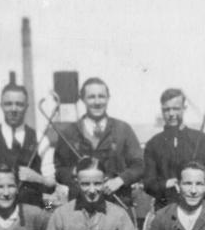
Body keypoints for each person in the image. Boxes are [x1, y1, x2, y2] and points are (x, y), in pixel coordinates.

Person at [52, 77, 144, 208]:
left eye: (101, 96)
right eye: (91, 97)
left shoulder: (123, 129)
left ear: (108, 98)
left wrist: (120, 180)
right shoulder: (69, 132)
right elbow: (59, 170)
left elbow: (139, 165)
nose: (97, 102)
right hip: (80, 206)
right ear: (82, 99)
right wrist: (75, 171)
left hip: (117, 203)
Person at [0, 82, 56, 208]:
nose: (13, 109)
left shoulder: (41, 138)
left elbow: (52, 185)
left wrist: (38, 178)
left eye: (19, 104)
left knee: (50, 212)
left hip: (31, 213)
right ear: (1, 106)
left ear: (26, 106)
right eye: (8, 104)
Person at [144, 88, 205, 210]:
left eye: (176, 109)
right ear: (162, 111)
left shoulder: (202, 140)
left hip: (198, 207)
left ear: (184, 108)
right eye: (167, 110)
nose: (171, 114)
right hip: (166, 208)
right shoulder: (153, 144)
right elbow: (148, 184)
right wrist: (168, 184)